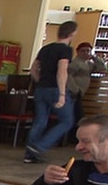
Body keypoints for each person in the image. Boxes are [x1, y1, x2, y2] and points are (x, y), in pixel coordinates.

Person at [23, 20, 78, 164]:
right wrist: (61, 94)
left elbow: (34, 69)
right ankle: (40, 147)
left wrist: (40, 81)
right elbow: (62, 71)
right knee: (67, 121)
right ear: (72, 33)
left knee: (40, 121)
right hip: (55, 89)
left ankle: (29, 155)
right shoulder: (65, 50)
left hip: (41, 89)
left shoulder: (45, 49)